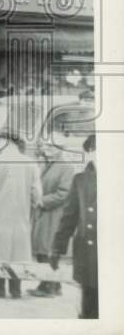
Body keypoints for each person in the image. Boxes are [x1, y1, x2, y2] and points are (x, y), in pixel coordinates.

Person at [0, 131, 42, 298]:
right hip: (21, 215)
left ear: (6, 142)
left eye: (0, 140)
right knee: (17, 252)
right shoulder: (30, 163)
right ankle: (15, 290)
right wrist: (33, 206)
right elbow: (36, 193)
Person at [50, 133, 98, 318]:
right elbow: (69, 217)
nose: (94, 154)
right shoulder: (80, 179)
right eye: (92, 150)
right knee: (89, 309)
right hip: (88, 256)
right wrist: (57, 248)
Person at [28, 141, 75, 297]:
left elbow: (64, 193)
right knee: (42, 250)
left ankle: (51, 287)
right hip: (43, 213)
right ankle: (49, 284)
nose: (47, 148)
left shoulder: (66, 167)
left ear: (61, 148)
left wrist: (43, 201)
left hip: (54, 214)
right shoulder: (44, 164)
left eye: (52, 146)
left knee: (49, 250)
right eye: (46, 145)